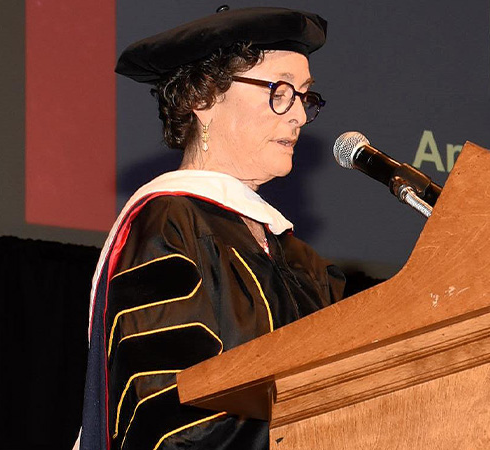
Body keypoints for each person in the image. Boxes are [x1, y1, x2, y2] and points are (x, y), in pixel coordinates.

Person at [75, 7, 345, 450]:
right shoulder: (168, 225)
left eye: (304, 96)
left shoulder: (300, 260)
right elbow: (166, 415)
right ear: (203, 99)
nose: (298, 114)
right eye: (280, 91)